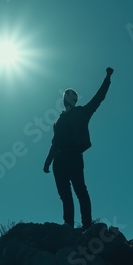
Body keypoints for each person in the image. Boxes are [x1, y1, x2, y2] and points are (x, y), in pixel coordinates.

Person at [43, 67, 114, 229]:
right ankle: (68, 225)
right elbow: (54, 142)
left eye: (71, 96)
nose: (69, 98)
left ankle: (87, 226)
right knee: (65, 195)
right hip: (59, 161)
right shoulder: (58, 121)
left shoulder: (81, 113)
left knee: (80, 191)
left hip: (73, 157)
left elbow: (98, 98)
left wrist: (107, 78)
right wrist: (47, 162)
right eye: (68, 95)